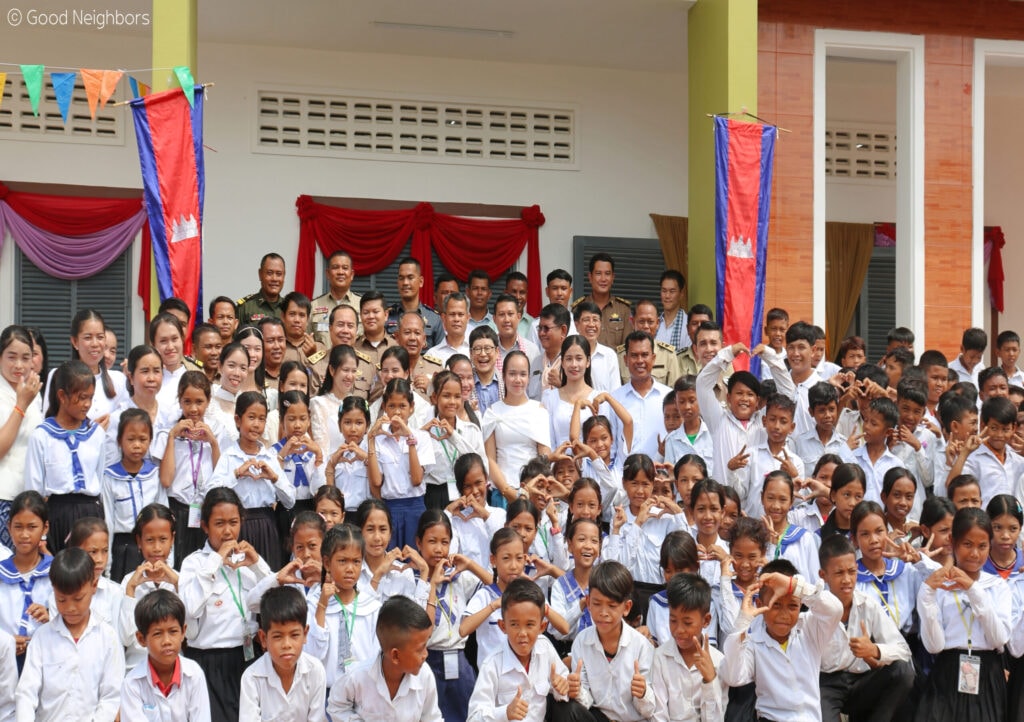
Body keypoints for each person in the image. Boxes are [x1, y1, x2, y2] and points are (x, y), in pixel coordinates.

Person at [179, 487, 272, 722]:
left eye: (234, 522)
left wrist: (258, 565)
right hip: (209, 662)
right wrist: (216, 560)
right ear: (205, 526)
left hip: (248, 658)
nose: (228, 531)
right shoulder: (194, 563)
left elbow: (275, 602)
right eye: (219, 523)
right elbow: (190, 608)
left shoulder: (249, 561)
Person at [915, 507, 1011, 722]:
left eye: (982, 546)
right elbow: (934, 646)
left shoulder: (997, 587)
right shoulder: (938, 586)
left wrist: (972, 589)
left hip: (987, 673)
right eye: (967, 544)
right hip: (947, 673)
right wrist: (927, 594)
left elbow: (999, 638)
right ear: (952, 540)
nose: (975, 553)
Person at [718, 561, 843, 722]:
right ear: (759, 604)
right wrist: (743, 620)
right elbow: (733, 676)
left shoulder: (810, 628)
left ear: (800, 605)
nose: (784, 614)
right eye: (775, 605)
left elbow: (835, 610)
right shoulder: (753, 642)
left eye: (792, 606)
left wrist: (794, 586)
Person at [15, 547, 125, 722]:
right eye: (61, 600)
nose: (70, 608)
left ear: (94, 586)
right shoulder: (42, 638)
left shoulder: (107, 637)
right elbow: (26, 694)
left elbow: (111, 696)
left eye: (78, 599)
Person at [817, 534, 915, 722]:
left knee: (903, 671)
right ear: (823, 575)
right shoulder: (816, 611)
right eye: (839, 573)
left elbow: (903, 651)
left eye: (852, 572)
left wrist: (875, 650)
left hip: (861, 681)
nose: (847, 580)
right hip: (826, 685)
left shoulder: (868, 604)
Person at [468, 577, 588, 722]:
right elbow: (473, 718)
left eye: (530, 625)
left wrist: (568, 688)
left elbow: (566, 688)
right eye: (514, 625)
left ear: (542, 627)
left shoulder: (545, 649)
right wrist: (504, 713)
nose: (522, 633)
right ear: (503, 626)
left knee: (570, 709)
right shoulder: (492, 664)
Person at [204, 392, 293, 569]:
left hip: (266, 525)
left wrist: (274, 478)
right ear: (238, 420)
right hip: (239, 525)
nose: (256, 424)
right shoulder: (229, 456)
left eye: (261, 419)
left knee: (266, 576)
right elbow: (211, 493)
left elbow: (290, 500)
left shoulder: (269, 457)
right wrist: (236, 473)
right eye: (251, 417)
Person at [25, 360, 106, 554]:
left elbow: (100, 479)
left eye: (91, 398)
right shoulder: (42, 435)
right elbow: (33, 491)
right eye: (82, 397)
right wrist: (40, 534)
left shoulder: (96, 434)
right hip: (57, 515)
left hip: (90, 514)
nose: (87, 404)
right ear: (62, 396)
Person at [327, 594, 442, 722]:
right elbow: (336, 706)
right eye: (420, 649)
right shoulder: (356, 677)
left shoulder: (425, 676)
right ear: (395, 656)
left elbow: (432, 718)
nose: (426, 654)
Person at [569, 560, 656, 722]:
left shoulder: (641, 646)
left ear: (626, 608)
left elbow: (650, 710)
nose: (603, 612)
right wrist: (577, 690)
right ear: (588, 603)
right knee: (566, 708)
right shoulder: (582, 641)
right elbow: (586, 701)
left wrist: (642, 693)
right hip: (598, 717)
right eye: (596, 604)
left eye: (612, 605)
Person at [121, 588, 211, 721]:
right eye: (157, 634)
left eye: (173, 631)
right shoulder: (132, 683)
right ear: (141, 639)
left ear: (183, 632)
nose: (167, 641)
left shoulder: (194, 675)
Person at [239, 586, 326, 721]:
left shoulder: (315, 670)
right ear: (263, 638)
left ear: (305, 634)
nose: (286, 644)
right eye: (278, 636)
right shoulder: (252, 678)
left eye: (294, 635)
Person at [650, 573, 725, 722]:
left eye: (687, 623)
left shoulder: (718, 662)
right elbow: (659, 714)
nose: (679, 630)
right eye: (673, 620)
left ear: (706, 620)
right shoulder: (660, 657)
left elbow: (716, 718)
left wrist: (710, 680)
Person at [483, 351, 552, 504]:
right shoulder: (493, 412)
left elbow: (544, 456)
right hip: (502, 491)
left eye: (523, 374)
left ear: (528, 377)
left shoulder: (538, 410)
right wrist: (507, 490)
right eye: (512, 374)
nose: (518, 380)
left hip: (534, 490)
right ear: (504, 376)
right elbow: (490, 459)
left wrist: (531, 488)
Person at [102, 408, 162, 582]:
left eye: (143, 439)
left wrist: (167, 556)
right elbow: (109, 522)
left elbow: (163, 515)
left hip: (152, 547)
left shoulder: (154, 474)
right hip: (123, 548)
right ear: (120, 441)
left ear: (150, 440)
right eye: (131, 439)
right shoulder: (110, 477)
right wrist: (108, 564)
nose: (137, 445)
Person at [42, 309, 129, 424]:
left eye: (100, 337)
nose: (95, 344)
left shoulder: (119, 380)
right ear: (74, 341)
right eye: (88, 337)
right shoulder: (58, 375)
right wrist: (90, 432)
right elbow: (49, 422)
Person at [0, 326, 42, 550]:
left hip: (29, 497)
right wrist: (21, 405)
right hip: (3, 495)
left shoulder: (33, 391)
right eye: (11, 357)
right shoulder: (20, 396)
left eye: (26, 358)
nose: (19, 365)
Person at [0, 491, 51, 666]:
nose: (24, 534)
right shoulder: (1, 573)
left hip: (48, 661)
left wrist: (51, 615)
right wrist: (5, 642)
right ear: (9, 527)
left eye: (32, 527)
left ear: (45, 528)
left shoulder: (56, 572)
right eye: (18, 527)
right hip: (6, 663)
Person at [611, 332, 671, 460]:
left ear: (653, 358)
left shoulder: (669, 397)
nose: (640, 361)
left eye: (644, 355)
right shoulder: (614, 400)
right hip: (625, 476)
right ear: (625, 360)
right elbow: (611, 446)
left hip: (662, 474)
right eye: (634, 355)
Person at [962, 396, 1023, 505]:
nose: (999, 435)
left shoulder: (1018, 460)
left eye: (1005, 429)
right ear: (983, 425)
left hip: (1013, 520)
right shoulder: (972, 458)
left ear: (1013, 428)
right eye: (994, 428)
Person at [572, 253, 632, 349]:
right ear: (590, 277)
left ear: (613, 278)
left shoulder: (624, 309)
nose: (603, 279)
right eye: (598, 273)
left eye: (607, 274)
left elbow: (628, 347)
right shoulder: (578, 308)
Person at [620, 299, 681, 388]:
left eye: (650, 322)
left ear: (658, 323)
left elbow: (675, 391)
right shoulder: (621, 354)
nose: (646, 326)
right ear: (632, 322)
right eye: (641, 321)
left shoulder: (668, 355)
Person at [386, 258, 444, 346]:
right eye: (401, 278)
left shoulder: (434, 319)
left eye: (410, 278)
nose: (405, 282)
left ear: (421, 282)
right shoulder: (387, 316)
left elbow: (440, 354)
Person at [311, 249, 362, 346]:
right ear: (327, 274)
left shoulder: (362, 305)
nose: (340, 272)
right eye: (335, 267)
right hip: (324, 360)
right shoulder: (314, 306)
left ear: (351, 275)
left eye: (345, 268)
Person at [280, 292, 330, 390]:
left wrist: (313, 357)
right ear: (283, 317)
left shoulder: (320, 348)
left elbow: (325, 382)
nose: (297, 320)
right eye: (292, 314)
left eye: (302, 315)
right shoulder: (278, 347)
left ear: (307, 320)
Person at [572, 300, 620, 395]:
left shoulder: (609, 355)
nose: (591, 324)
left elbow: (616, 392)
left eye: (595, 320)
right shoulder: (569, 354)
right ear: (576, 325)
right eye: (586, 320)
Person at [398, 311, 444, 400]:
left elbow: (445, 404)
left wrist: (431, 389)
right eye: (407, 332)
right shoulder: (387, 370)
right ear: (397, 337)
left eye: (417, 333)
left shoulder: (436, 369)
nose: (412, 338)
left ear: (424, 340)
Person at [531, 304, 571, 400]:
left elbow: (583, 400)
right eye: (540, 328)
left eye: (546, 328)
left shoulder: (573, 364)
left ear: (563, 331)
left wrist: (562, 386)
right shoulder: (536, 362)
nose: (541, 333)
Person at [528, 270, 577, 349]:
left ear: (570, 292)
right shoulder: (536, 325)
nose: (559, 293)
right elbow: (532, 357)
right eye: (555, 288)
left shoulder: (577, 323)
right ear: (547, 291)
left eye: (563, 288)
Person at [236, 252, 287, 327]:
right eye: (269, 273)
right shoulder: (245, 307)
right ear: (260, 274)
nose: (274, 279)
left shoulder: (288, 308)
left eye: (279, 274)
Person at [357, 291, 399, 367]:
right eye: (366, 312)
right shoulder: (352, 348)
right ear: (360, 316)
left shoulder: (397, 347)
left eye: (375, 312)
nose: (371, 316)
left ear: (386, 315)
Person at [428, 292, 472, 364]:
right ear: (444, 318)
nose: (456, 319)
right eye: (452, 314)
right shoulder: (432, 355)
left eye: (460, 314)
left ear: (468, 318)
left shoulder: (476, 351)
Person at [655, 270, 689, 350]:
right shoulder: (655, 323)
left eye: (672, 291)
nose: (667, 296)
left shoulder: (688, 325)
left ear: (681, 294)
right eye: (664, 291)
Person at [676, 305, 713, 378]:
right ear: (687, 329)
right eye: (694, 323)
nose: (699, 327)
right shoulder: (676, 359)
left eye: (704, 323)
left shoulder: (721, 359)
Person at [504, 272, 534, 339]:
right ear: (505, 293)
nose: (518, 297)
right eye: (514, 292)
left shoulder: (533, 324)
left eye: (522, 292)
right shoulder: (494, 325)